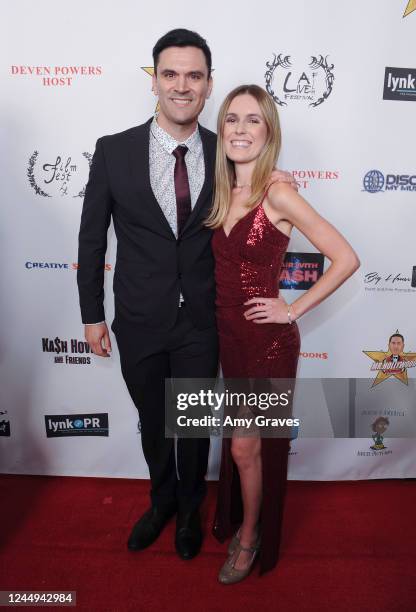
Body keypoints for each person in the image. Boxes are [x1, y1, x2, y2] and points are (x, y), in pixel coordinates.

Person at [77, 29, 296, 561]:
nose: (182, 86)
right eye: (171, 74)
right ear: (154, 81)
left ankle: (192, 512)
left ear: (208, 85)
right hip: (138, 317)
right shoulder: (113, 151)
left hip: (202, 322)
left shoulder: (228, 152)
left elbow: (259, 192)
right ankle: (161, 502)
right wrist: (92, 315)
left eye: (194, 76)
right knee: (154, 422)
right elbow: (91, 238)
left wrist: (278, 181)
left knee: (192, 427)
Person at [207, 84, 360, 583]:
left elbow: (346, 259)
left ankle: (250, 536)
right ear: (222, 129)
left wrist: (292, 309)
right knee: (240, 444)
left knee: (245, 447)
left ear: (268, 130)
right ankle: (241, 519)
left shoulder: (279, 193)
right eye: (232, 119)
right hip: (231, 339)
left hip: (268, 344)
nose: (241, 129)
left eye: (253, 120)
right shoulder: (223, 190)